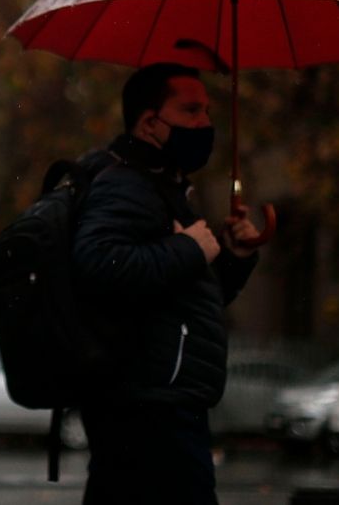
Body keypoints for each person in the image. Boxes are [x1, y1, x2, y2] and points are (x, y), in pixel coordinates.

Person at [71, 62, 260, 504]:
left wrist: (233, 257)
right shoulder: (127, 185)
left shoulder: (163, 188)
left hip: (158, 402)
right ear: (150, 122)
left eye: (208, 112)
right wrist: (191, 250)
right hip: (148, 409)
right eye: (191, 111)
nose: (205, 124)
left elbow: (187, 303)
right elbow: (97, 263)